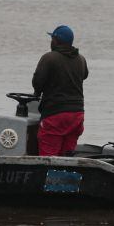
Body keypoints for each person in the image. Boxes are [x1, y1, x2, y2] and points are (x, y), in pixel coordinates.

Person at [32, 25, 89, 157]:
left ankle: (46, 176)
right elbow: (84, 75)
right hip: (77, 115)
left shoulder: (49, 58)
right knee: (67, 156)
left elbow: (37, 82)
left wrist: (37, 93)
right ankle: (66, 175)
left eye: (52, 39)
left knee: (49, 157)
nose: (51, 42)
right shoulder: (81, 59)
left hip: (55, 115)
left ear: (56, 41)